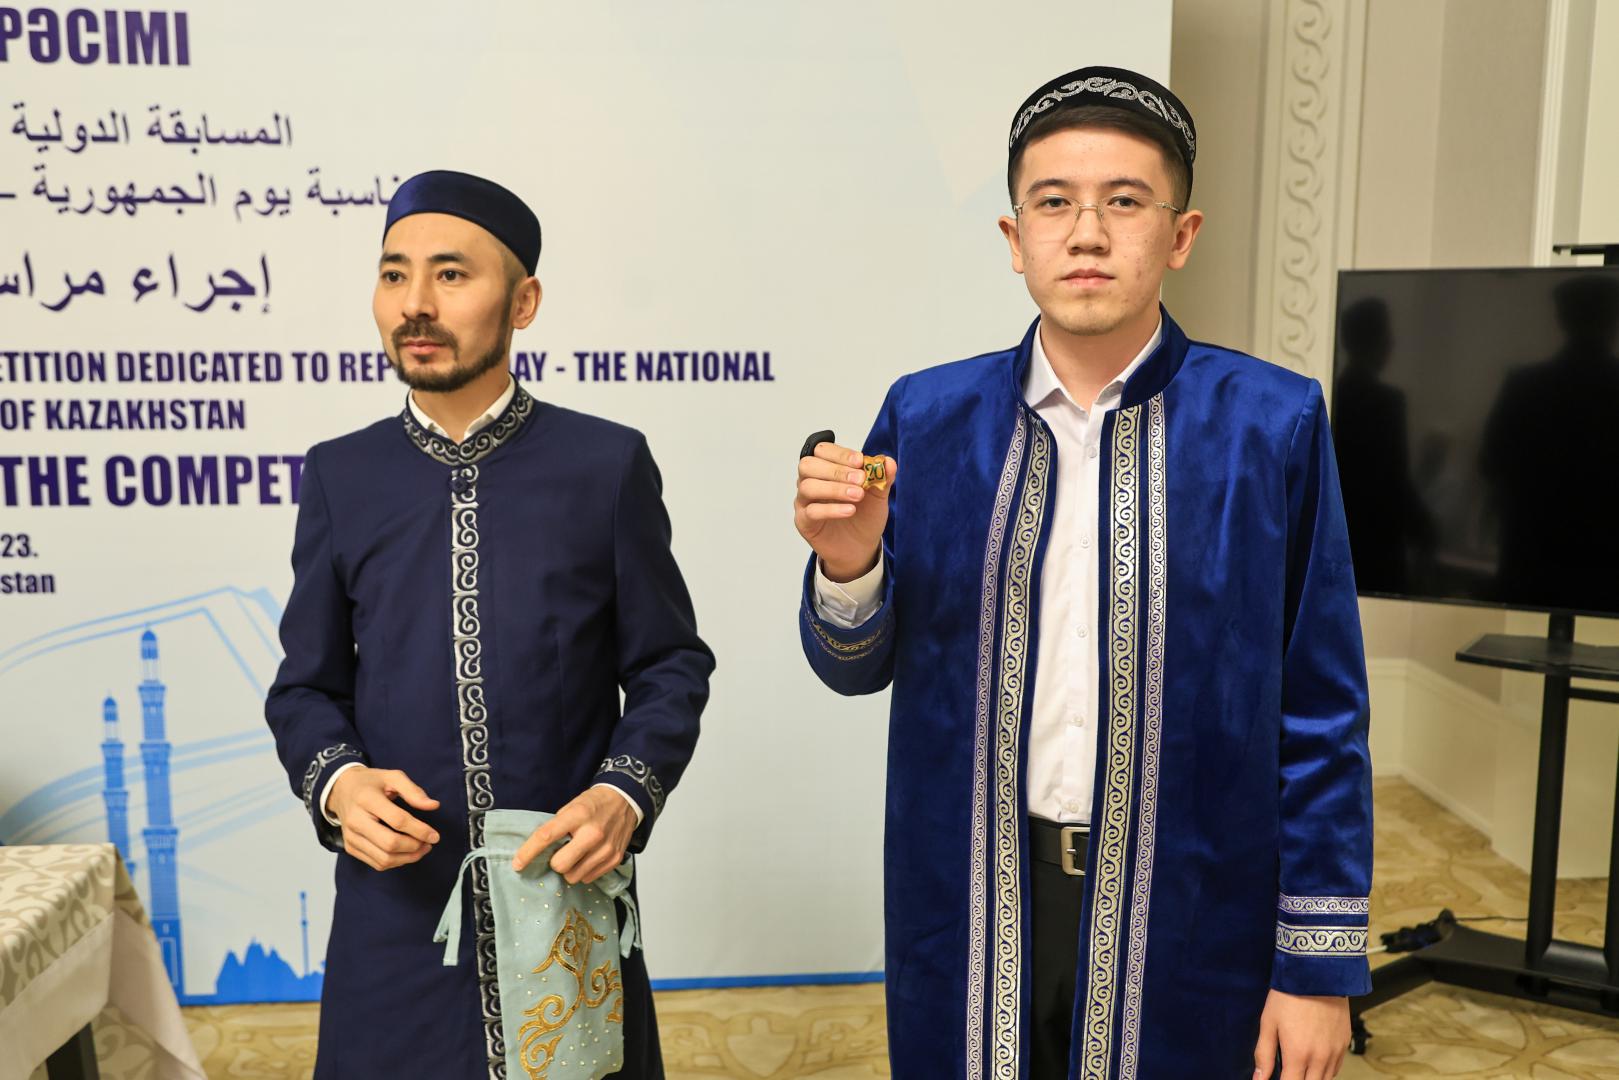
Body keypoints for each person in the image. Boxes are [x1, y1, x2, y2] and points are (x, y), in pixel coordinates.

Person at [793, 68, 1371, 1080]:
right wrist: (847, 563)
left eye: (1124, 202)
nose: (1087, 234)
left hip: (1192, 910)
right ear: (1014, 238)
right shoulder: (927, 418)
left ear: (1180, 235)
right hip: (969, 901)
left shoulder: (1270, 424)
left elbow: (1321, 710)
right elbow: (852, 667)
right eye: (1053, 202)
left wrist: (1315, 972)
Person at [266, 169, 714, 1079]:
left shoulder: (604, 465)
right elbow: (305, 687)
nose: (415, 305)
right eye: (393, 275)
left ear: (524, 302)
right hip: (395, 925)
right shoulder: (343, 477)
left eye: (450, 274)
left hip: (565, 908)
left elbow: (669, 665)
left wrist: (623, 795)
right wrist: (340, 784)